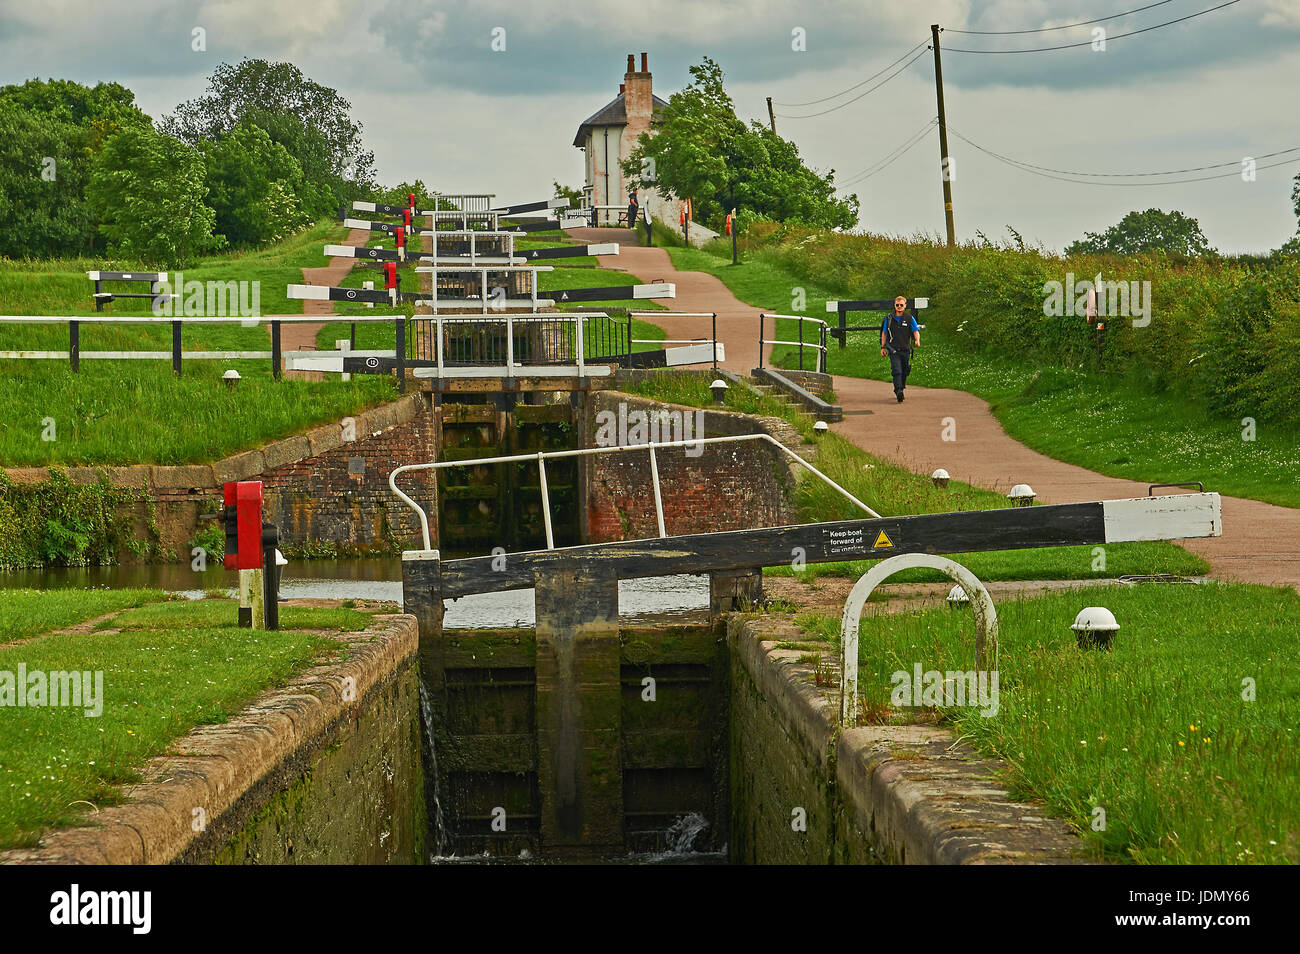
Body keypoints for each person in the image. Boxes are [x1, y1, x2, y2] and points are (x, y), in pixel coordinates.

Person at [880, 295, 920, 402]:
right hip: (893, 349)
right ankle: (898, 390)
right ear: (894, 305)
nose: (899, 307)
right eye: (897, 305)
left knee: (904, 370)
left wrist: (917, 340)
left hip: (905, 349)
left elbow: (916, 331)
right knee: (896, 370)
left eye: (901, 305)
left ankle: (901, 387)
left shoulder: (909, 318)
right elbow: (884, 333)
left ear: (905, 306)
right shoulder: (888, 319)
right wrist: (883, 347)